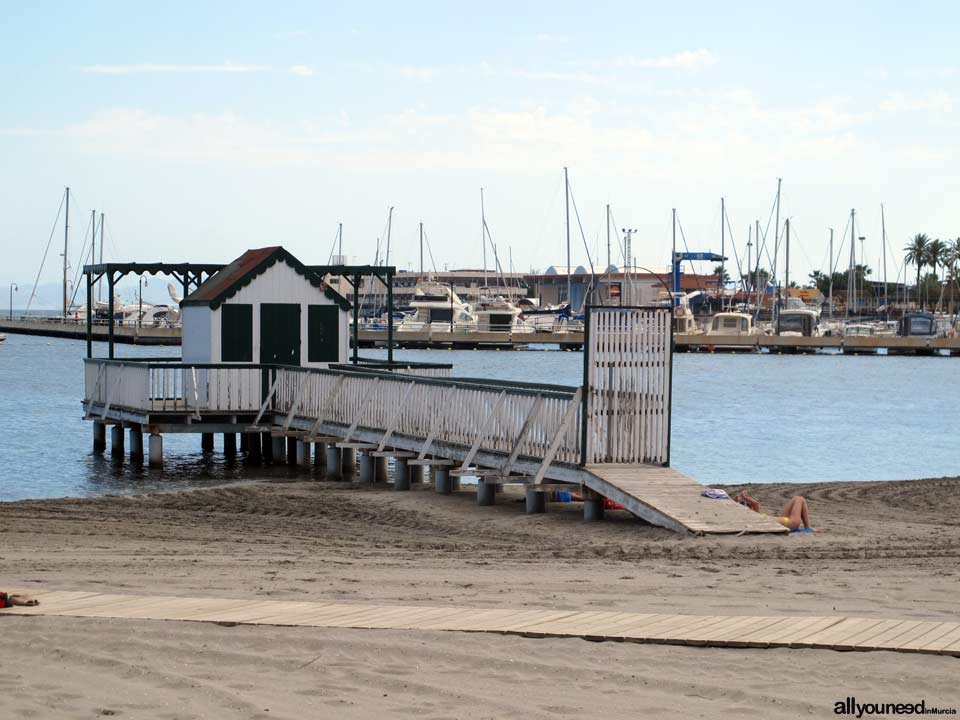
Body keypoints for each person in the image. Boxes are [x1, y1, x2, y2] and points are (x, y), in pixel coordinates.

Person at [733, 491, 815, 531]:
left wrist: (737, 500)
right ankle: (808, 527)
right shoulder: (752, 515)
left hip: (784, 520)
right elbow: (756, 504)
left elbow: (754, 505)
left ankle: (808, 527)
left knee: (796, 498)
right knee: (799, 499)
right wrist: (745, 496)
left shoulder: (751, 516)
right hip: (791, 523)